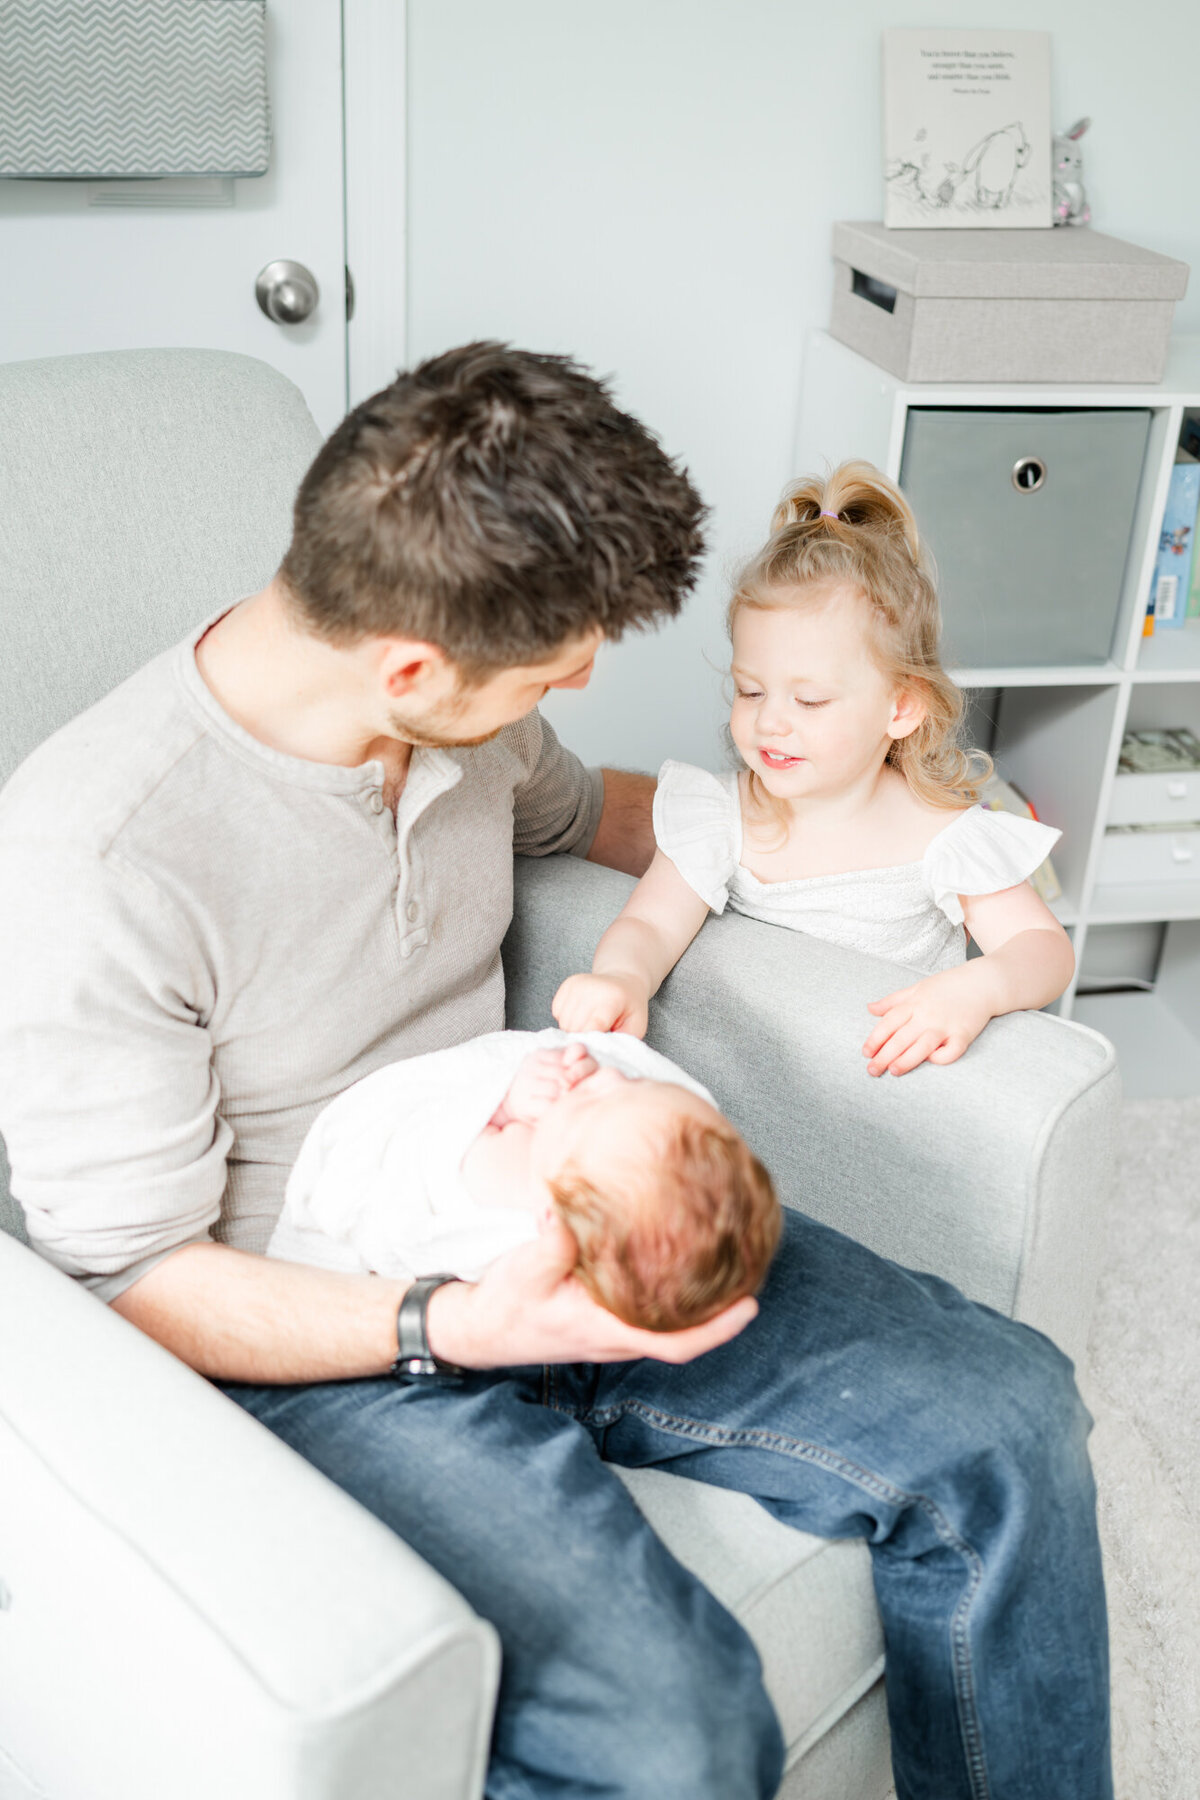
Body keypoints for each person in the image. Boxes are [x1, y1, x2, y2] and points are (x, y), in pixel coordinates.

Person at [0, 346, 1111, 1800]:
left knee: (1009, 1416)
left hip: (591, 1182)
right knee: (671, 1735)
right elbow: (131, 1280)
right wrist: (460, 1322)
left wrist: (902, 831)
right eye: (560, 664)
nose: (581, 684)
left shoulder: (470, 724)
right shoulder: (97, 860)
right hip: (343, 1333)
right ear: (410, 667)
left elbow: (635, 819)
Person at [554, 461, 1075, 1077]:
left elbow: (1044, 953)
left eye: (810, 701)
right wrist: (621, 977)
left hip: (878, 1090)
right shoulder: (719, 817)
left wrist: (978, 987)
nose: (772, 721)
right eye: (751, 691)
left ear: (901, 707)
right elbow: (648, 923)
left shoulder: (942, 836)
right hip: (748, 1076)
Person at [266, 1029, 781, 1331]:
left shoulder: (508, 1182)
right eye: (631, 1083)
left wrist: (506, 1098)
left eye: (592, 1103)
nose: (606, 1073)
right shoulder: (589, 1176)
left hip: (352, 1289)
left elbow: (425, 1158)